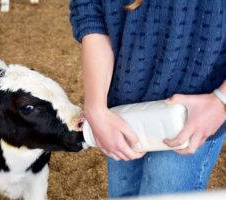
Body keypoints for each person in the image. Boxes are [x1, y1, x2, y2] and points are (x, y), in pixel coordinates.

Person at [69, 0, 226, 197]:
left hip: (193, 116)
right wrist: (96, 108)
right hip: (121, 112)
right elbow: (91, 11)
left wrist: (221, 101)